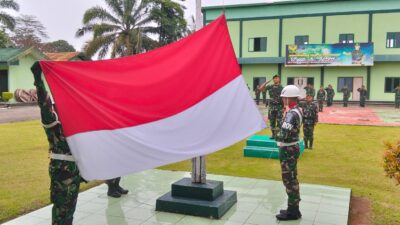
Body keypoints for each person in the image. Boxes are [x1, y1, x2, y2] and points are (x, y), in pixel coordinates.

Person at [31, 62, 82, 225]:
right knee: (61, 212)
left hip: (73, 172)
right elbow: (43, 102)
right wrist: (38, 78)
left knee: (70, 210)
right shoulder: (52, 122)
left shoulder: (71, 120)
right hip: (62, 172)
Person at [275, 85, 303, 221]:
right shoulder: (296, 110)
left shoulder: (291, 113)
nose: (282, 100)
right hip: (292, 148)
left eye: (283, 98)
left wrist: (275, 134)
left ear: (288, 98)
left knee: (289, 180)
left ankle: (292, 211)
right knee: (292, 178)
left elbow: (283, 134)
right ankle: (294, 209)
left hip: (288, 150)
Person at [260, 75, 284, 139]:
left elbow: (284, 98)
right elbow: (260, 89)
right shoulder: (270, 86)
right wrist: (266, 82)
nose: (275, 79)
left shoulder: (282, 88)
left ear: (279, 79)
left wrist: (285, 107)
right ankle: (273, 135)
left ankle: (278, 135)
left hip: (279, 107)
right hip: (271, 107)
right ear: (273, 79)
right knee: (272, 122)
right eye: (274, 78)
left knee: (279, 122)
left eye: (277, 78)